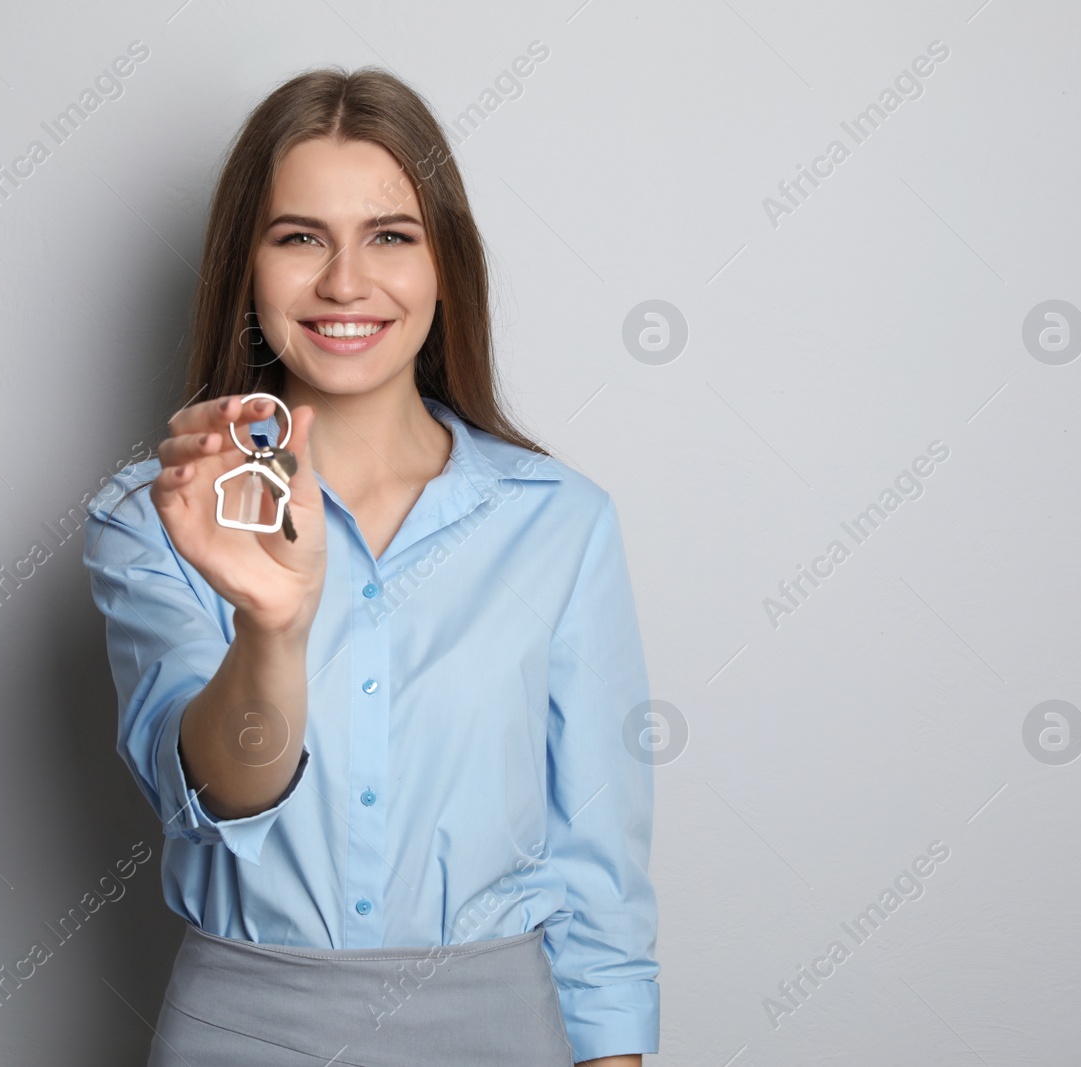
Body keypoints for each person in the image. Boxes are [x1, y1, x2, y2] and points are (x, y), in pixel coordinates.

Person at [82, 65, 658, 1067]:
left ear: (446, 265)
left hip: (502, 1030)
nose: (346, 282)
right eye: (299, 236)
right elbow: (221, 789)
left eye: (390, 235)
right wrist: (274, 621)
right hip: (243, 1030)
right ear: (244, 267)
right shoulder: (155, 517)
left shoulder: (561, 525)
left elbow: (597, 872)